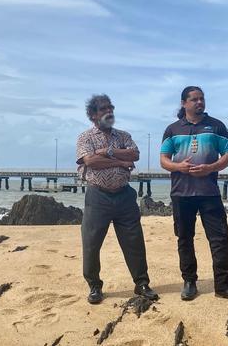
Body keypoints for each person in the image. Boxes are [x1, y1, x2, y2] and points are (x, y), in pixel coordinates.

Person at [160, 86, 228, 303]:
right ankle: (189, 282)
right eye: (194, 99)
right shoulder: (172, 129)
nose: (199, 102)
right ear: (184, 103)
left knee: (219, 239)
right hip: (181, 193)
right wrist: (178, 166)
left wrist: (211, 167)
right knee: (184, 239)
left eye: (202, 99)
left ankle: (223, 285)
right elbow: (164, 160)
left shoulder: (216, 126)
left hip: (209, 192)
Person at [76, 94, 158, 304]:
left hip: (124, 196)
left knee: (134, 242)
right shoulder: (85, 137)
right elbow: (90, 161)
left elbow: (135, 155)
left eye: (111, 107)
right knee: (91, 243)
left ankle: (141, 283)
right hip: (98, 196)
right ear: (93, 114)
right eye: (103, 109)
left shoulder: (122, 135)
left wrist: (109, 152)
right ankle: (94, 286)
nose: (109, 112)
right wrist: (120, 162)